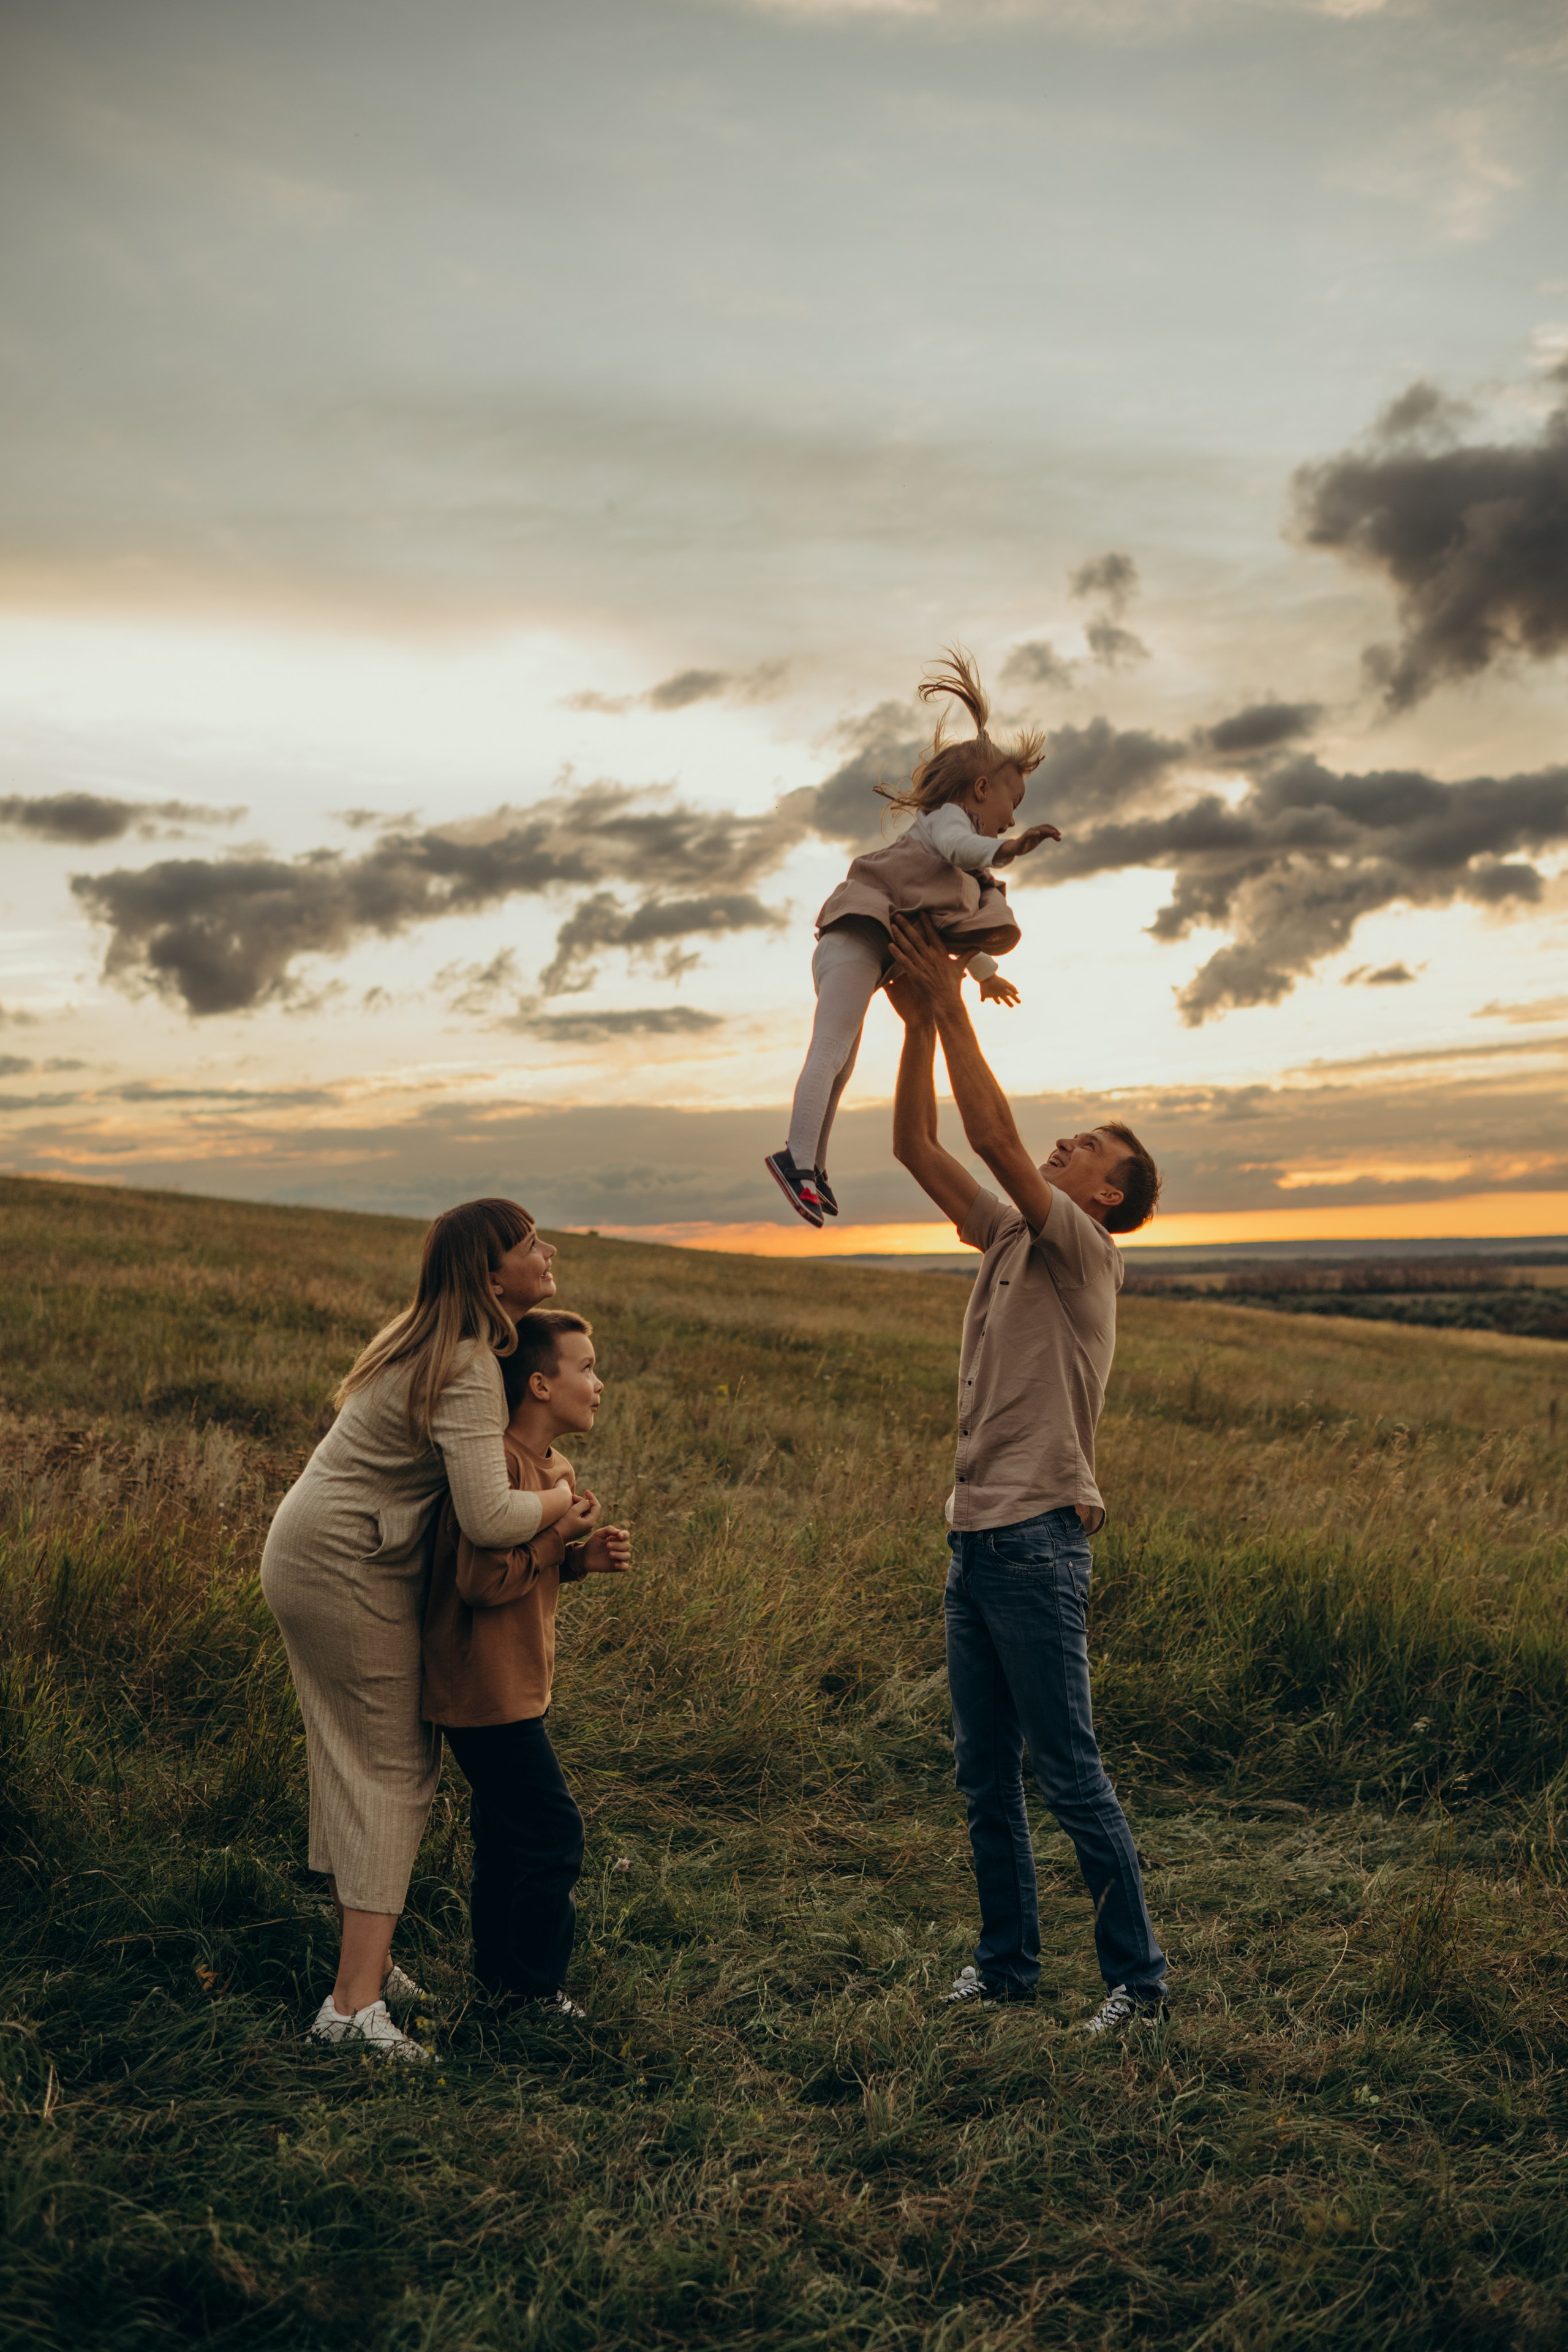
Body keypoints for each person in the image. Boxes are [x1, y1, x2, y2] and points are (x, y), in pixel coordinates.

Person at [884, 909, 1169, 2034]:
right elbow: (919, 1148)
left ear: (1110, 1197)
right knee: (982, 1778)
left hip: (1037, 1540)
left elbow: (997, 1138)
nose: (1072, 1142)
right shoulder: (1011, 1236)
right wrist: (915, 1023)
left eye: (1096, 1145)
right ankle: (1007, 1964)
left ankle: (1137, 1985)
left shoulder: (1083, 1251)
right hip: (974, 1534)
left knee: (1068, 1774)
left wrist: (955, 1004)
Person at [261, 1197, 582, 2062]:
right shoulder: (471, 1361)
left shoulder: (434, 1337)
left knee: (355, 1754)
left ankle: (369, 1963)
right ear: (490, 1274)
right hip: (344, 1563)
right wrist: (566, 1504)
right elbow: (488, 1515)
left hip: (315, 1550)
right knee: (395, 1768)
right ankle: (351, 2008)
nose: (547, 1251)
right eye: (529, 1245)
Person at [764, 649, 1060, 1228]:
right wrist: (1010, 850)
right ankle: (794, 1160)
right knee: (830, 1048)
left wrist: (986, 975)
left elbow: (952, 922)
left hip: (868, 947)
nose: (1011, 820)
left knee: (843, 1061)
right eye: (1011, 804)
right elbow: (964, 847)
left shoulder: (961, 872)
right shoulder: (949, 823)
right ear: (980, 788)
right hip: (854, 935)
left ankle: (813, 1166)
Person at [421, 1310, 630, 2018]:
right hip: (483, 1690)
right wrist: (553, 1545)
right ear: (539, 1385)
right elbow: (481, 1584)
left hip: (517, 1686)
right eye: (586, 1368)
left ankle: (500, 1985)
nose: (598, 1384)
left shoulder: (554, 1469)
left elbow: (524, 1572)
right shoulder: (501, 1467)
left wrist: (578, 1561)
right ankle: (533, 1993)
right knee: (550, 1832)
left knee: (506, 1838)